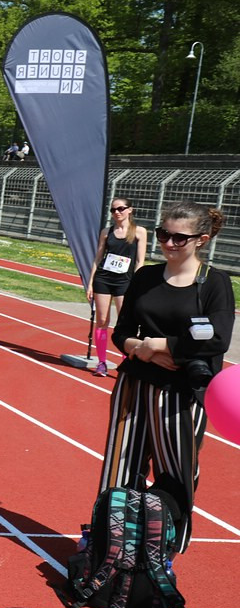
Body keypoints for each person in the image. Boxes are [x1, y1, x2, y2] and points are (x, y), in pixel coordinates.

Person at [99, 201, 233, 553]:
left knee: (175, 473)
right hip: (134, 384)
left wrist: (160, 344)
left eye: (178, 238)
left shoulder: (214, 282)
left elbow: (218, 338)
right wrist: (139, 348)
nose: (168, 243)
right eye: (163, 234)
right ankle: (111, 545)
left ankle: (163, 551)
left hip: (181, 394)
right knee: (120, 466)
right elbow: (121, 331)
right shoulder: (144, 277)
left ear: (201, 239)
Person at [85, 198, 147, 376]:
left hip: (125, 282)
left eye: (120, 209)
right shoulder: (107, 232)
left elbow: (140, 261)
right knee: (102, 321)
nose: (117, 212)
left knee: (124, 322)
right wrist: (90, 283)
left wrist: (136, 284)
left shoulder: (139, 232)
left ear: (130, 210)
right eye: (113, 210)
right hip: (103, 280)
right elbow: (98, 259)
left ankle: (126, 360)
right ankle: (102, 362)